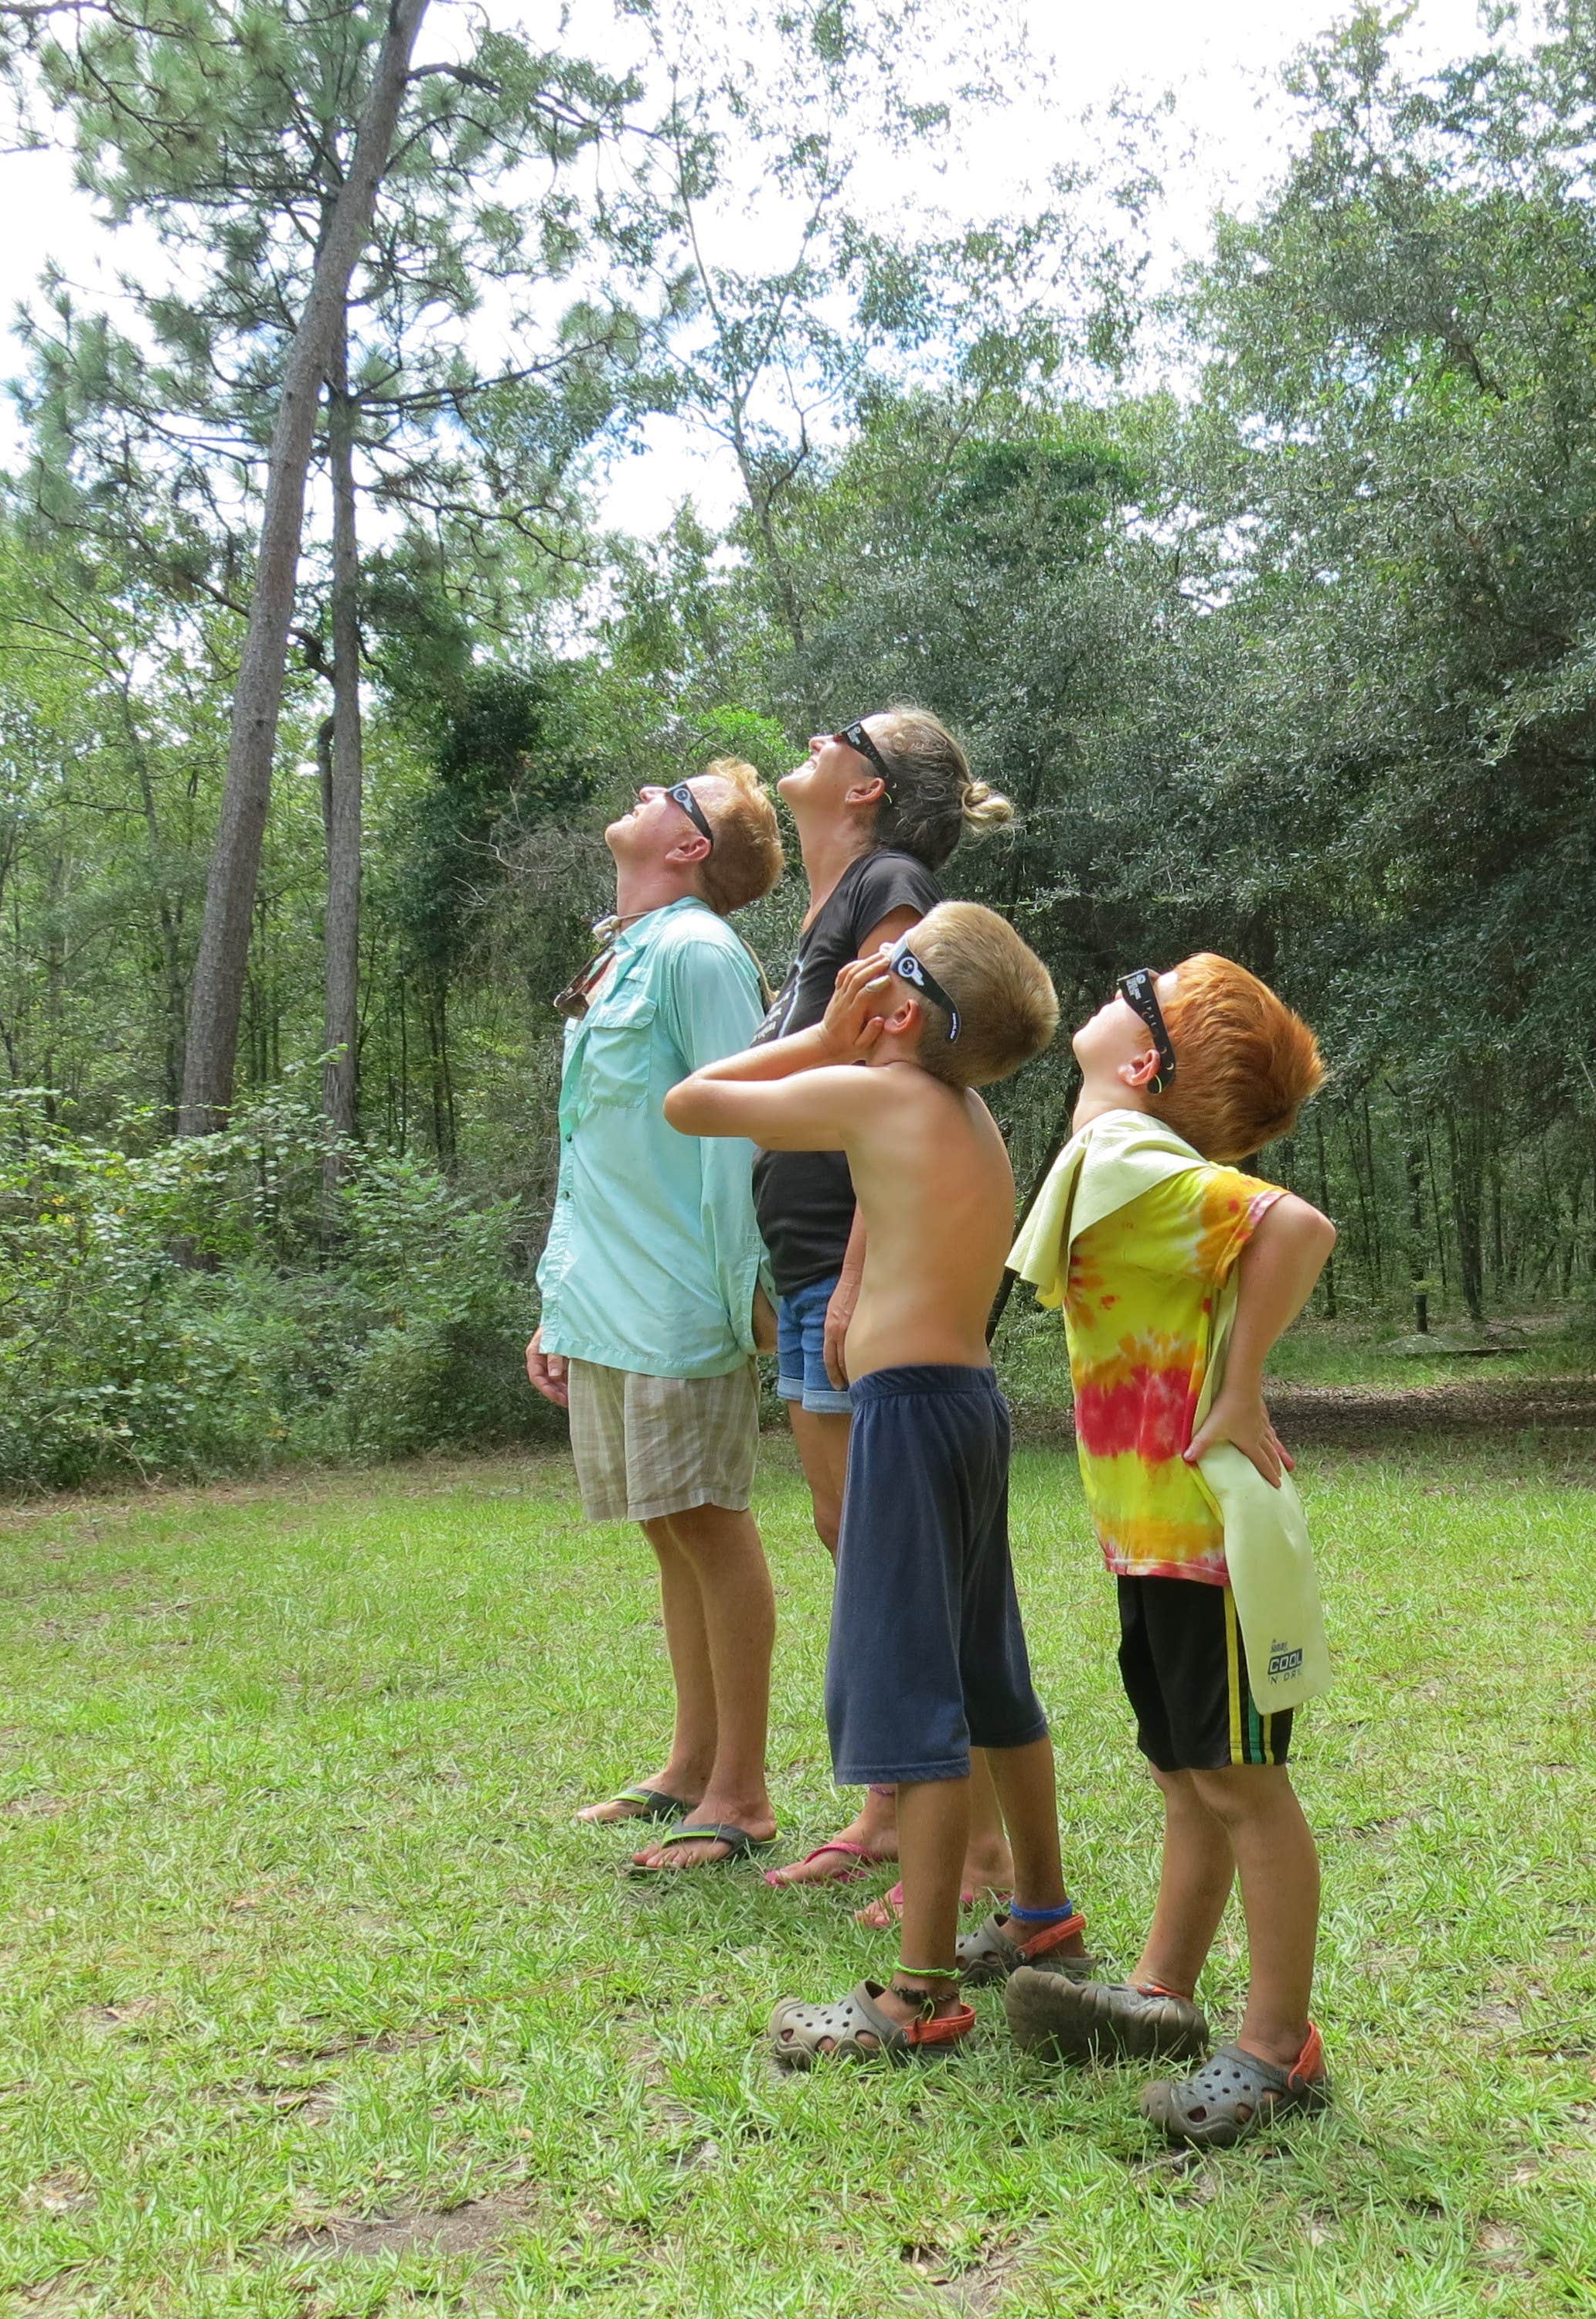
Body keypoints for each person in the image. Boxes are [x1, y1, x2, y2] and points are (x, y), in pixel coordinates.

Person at [664, 904, 1094, 2061]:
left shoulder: (876, 1091)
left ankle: (920, 1994)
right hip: (972, 1410)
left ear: (896, 1008)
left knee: (916, 1705)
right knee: (989, 1674)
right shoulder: (972, 1115)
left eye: (874, 977)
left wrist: (823, 1037)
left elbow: (692, 1102)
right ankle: (1042, 1918)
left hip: (905, 1422)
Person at [997, 955, 1340, 2146]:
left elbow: (1295, 1223)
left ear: (1142, 1063)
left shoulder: (1135, 1156)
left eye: (1130, 989)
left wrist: (1241, 1389)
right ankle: (1158, 1995)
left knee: (1242, 1782)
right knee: (1188, 1775)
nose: (1108, 990)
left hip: (1211, 1539)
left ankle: (1277, 2045)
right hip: (1154, 1535)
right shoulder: (1112, 1163)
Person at [751, 707, 1022, 1918]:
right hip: (805, 1259)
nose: (811, 739)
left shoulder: (892, 887)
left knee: (892, 1565)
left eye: (837, 733)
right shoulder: (831, 901)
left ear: (866, 785)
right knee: (848, 1539)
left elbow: (904, 1067)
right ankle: (888, 1813)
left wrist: (858, 1282)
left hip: (853, 1273)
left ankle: (963, 1855)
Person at [528, 759, 789, 1875]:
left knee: (708, 1517)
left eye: (671, 793)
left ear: (689, 850)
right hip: (609, 1297)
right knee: (666, 1525)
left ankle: (741, 1796)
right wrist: (555, 1296)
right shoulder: (626, 951)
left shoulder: (694, 952)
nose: (647, 790)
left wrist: (750, 1294)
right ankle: (687, 1765)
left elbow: (744, 1125)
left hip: (685, 1293)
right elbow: (591, 1147)